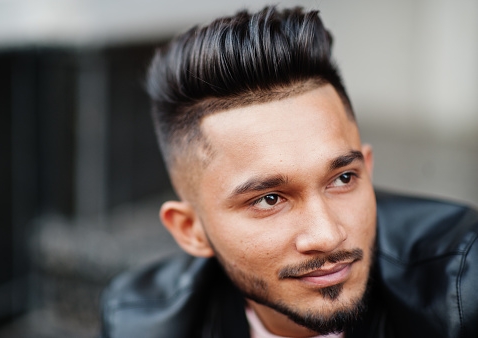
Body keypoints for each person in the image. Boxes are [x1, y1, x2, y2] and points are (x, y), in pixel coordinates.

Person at [100, 6, 478, 338]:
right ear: (190, 229)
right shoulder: (139, 319)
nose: (328, 235)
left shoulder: (462, 286)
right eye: (269, 199)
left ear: (368, 167)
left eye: (343, 178)